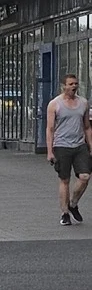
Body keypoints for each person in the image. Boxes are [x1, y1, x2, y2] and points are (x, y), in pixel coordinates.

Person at [46, 72, 92, 225]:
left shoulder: (84, 103)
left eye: (76, 84)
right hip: (61, 146)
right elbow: (50, 128)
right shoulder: (55, 104)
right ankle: (64, 213)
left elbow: (87, 127)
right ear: (64, 86)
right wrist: (50, 151)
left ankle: (73, 204)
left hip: (79, 145)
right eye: (71, 84)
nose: (74, 86)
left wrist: (90, 146)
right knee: (64, 180)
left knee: (85, 176)